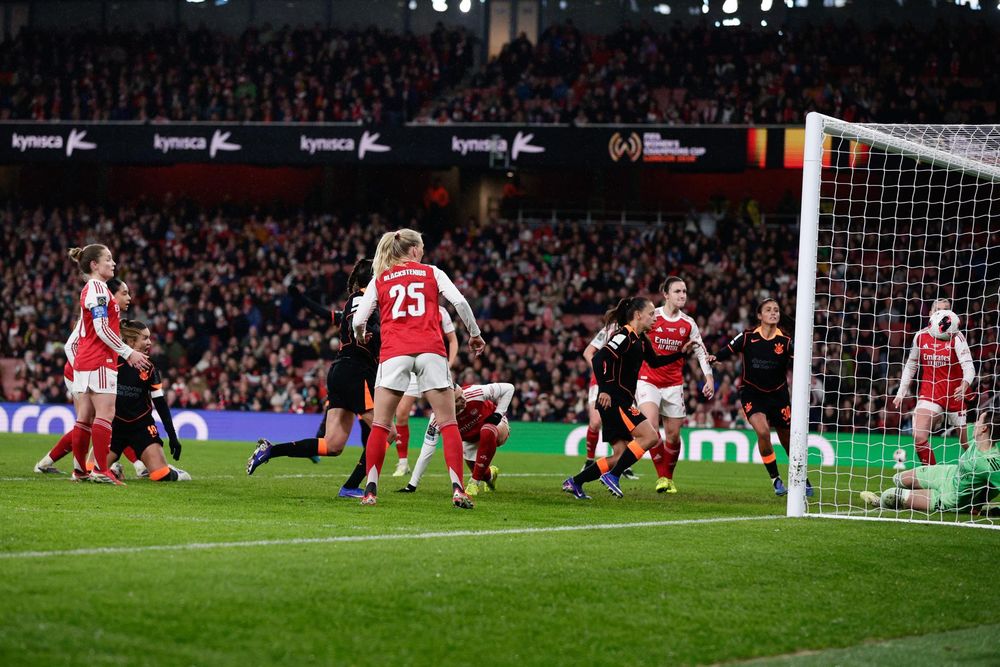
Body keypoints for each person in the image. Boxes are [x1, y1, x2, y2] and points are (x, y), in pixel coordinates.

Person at [353, 228, 486, 508]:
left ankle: (370, 492)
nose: (423, 252)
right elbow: (460, 301)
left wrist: (360, 334)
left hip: (394, 352)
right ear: (414, 250)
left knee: (380, 425)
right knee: (448, 423)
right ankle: (458, 490)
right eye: (422, 248)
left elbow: (358, 320)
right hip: (431, 351)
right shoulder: (432, 272)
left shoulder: (380, 279)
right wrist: (474, 333)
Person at [247, 259, 393, 499]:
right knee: (388, 432)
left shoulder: (353, 302)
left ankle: (270, 450)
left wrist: (300, 299)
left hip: (339, 371)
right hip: (357, 370)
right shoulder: (366, 300)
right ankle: (352, 486)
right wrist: (377, 336)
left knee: (333, 445)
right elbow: (364, 326)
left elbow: (327, 314)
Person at [562, 297, 695, 500]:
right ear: (638, 315)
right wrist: (605, 389)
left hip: (620, 400)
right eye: (651, 314)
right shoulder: (623, 335)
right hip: (615, 400)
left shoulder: (641, 339)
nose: (655, 319)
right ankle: (613, 477)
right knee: (650, 436)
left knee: (619, 455)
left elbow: (656, 362)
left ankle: (575, 482)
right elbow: (599, 358)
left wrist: (681, 353)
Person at [34, 278, 145, 478]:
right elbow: (71, 346)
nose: (129, 297)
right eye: (124, 293)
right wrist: (84, 371)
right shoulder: (95, 316)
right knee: (93, 418)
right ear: (112, 294)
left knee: (94, 419)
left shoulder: (112, 318)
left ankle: (53, 464)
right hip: (79, 372)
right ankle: (99, 467)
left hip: (89, 370)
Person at [707, 298, 812, 497]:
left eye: (776, 310)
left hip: (779, 395)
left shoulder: (786, 341)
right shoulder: (747, 337)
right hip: (752, 393)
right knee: (763, 432)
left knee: (788, 441)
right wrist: (715, 358)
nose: (773, 313)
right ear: (759, 315)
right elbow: (727, 350)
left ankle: (802, 478)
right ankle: (776, 479)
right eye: (768, 310)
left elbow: (803, 360)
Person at [67, 244, 150, 484]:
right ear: (94, 265)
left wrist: (80, 361)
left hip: (86, 361)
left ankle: (80, 470)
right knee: (106, 413)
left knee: (84, 417)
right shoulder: (99, 290)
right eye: (108, 259)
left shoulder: (91, 289)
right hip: (100, 360)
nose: (113, 263)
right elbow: (102, 329)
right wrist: (128, 353)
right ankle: (101, 470)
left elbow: (83, 331)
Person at [637, 276, 714, 494]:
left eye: (685, 292)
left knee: (673, 436)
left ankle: (667, 478)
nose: (682, 295)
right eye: (678, 291)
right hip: (647, 379)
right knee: (651, 427)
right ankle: (662, 476)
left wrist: (708, 377)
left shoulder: (688, 323)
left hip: (673, 384)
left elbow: (700, 350)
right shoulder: (654, 317)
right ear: (666, 294)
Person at [860, 410, 1000, 513]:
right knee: (898, 479)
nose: (975, 423)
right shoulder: (972, 435)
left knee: (889, 495)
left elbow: (993, 485)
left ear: (984, 428)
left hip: (949, 497)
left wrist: (976, 504)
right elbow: (954, 415)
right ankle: (917, 495)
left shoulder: (991, 462)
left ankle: (880, 502)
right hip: (948, 473)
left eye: (979, 421)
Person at [893, 298, 976, 465]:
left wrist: (964, 384)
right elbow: (911, 365)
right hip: (930, 392)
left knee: (968, 445)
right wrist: (901, 391)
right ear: (930, 314)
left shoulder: (957, 337)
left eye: (947, 310)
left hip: (956, 395)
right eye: (938, 310)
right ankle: (931, 474)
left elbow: (969, 368)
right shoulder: (920, 336)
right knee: (919, 436)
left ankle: (985, 477)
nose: (943, 314)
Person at [103, 319, 189, 482]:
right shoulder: (111, 362)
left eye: (149, 338)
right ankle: (115, 470)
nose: (149, 342)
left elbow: (160, 404)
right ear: (130, 341)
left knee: (161, 476)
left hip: (141, 427)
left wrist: (172, 436)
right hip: (115, 427)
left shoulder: (149, 368)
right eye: (145, 338)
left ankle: (174, 472)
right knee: (92, 471)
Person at [399, 381, 515, 496]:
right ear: (449, 404)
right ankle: (490, 475)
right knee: (483, 473)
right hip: (470, 441)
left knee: (487, 430)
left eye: (462, 395)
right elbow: (426, 452)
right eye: (458, 399)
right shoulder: (436, 420)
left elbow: (509, 388)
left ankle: (473, 482)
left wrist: (498, 413)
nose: (463, 399)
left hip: (496, 426)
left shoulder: (474, 392)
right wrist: (412, 485)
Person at [392, 306, 459, 478]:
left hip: (434, 366)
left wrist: (448, 365)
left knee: (447, 416)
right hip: (412, 364)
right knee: (401, 413)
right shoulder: (410, 307)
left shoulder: (441, 311)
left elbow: (452, 340)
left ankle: (460, 460)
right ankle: (403, 463)